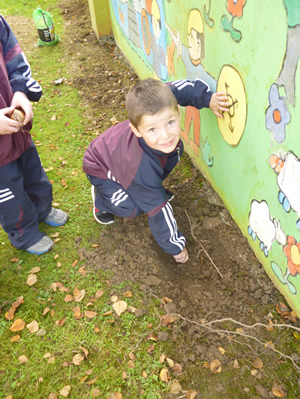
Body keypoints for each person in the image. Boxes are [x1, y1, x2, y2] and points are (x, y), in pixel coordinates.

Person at [83, 77, 228, 263]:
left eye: (170, 123)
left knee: (174, 151)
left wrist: (208, 98)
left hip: (125, 158)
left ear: (177, 113)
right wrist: (175, 246)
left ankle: (149, 189)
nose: (166, 135)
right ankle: (102, 199)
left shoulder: (161, 100)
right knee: (132, 207)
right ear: (136, 130)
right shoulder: (139, 166)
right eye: (152, 130)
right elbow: (158, 211)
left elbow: (182, 89)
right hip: (100, 165)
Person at [0, 16, 68, 255]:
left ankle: (42, 208)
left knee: (33, 172)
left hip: (16, 128)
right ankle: (24, 233)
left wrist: (19, 91)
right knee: (8, 192)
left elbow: (14, 58)